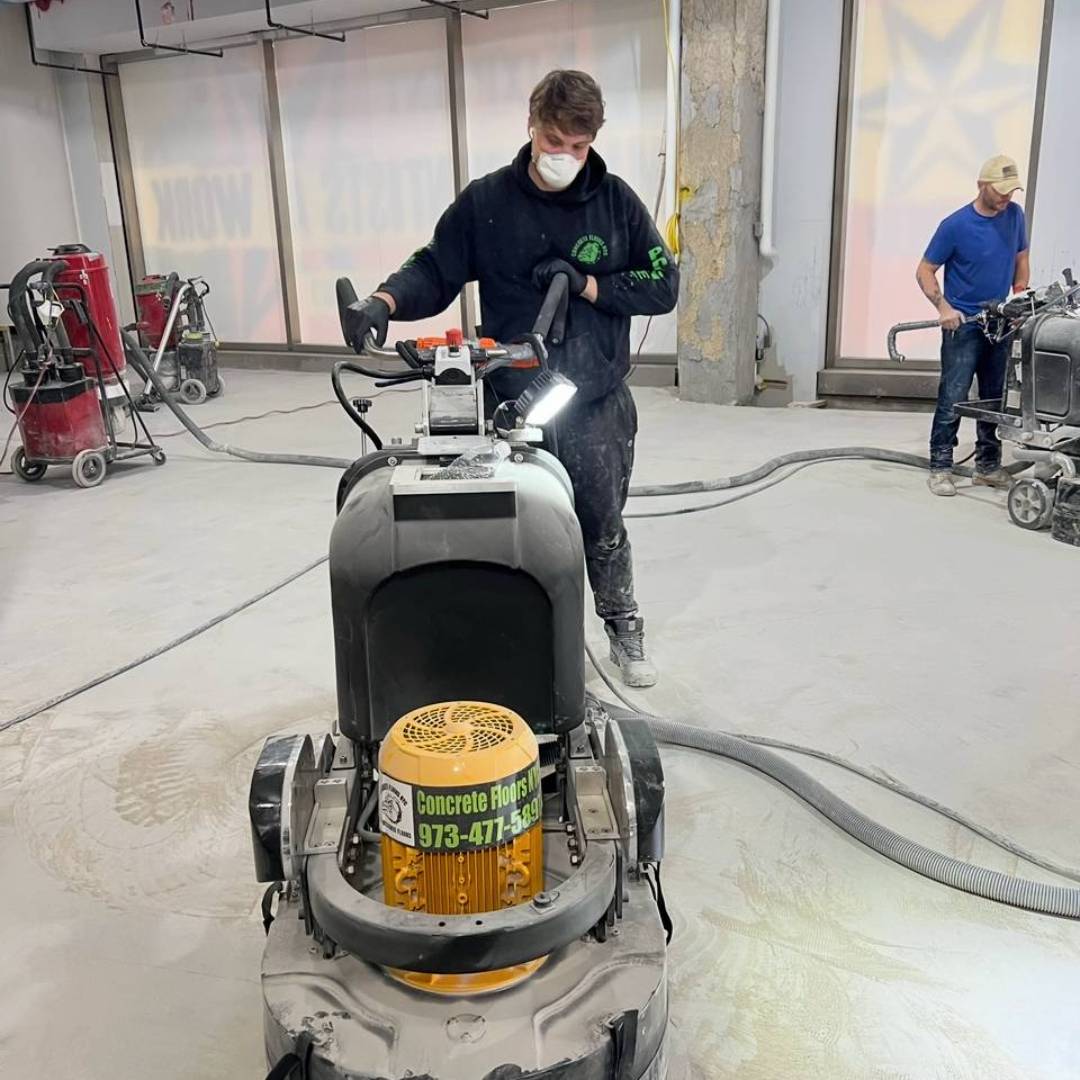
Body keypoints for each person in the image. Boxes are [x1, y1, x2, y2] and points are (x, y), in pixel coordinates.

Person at [340, 70, 678, 687]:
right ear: (531, 127)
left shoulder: (616, 203)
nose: (565, 158)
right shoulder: (488, 202)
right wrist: (383, 303)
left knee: (600, 523)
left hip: (593, 396)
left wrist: (590, 285)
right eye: (554, 141)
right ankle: (520, 638)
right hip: (508, 398)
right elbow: (436, 266)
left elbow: (664, 285)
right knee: (504, 524)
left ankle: (622, 624)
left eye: (578, 147)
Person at [916, 154, 1030, 497]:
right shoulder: (955, 225)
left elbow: (1021, 260)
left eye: (1012, 191)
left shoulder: (1015, 216)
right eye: (1001, 191)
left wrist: (1019, 298)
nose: (1007, 197)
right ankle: (940, 467)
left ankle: (987, 466)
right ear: (982, 186)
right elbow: (924, 269)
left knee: (994, 398)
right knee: (954, 395)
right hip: (963, 325)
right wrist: (944, 306)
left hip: (1000, 324)